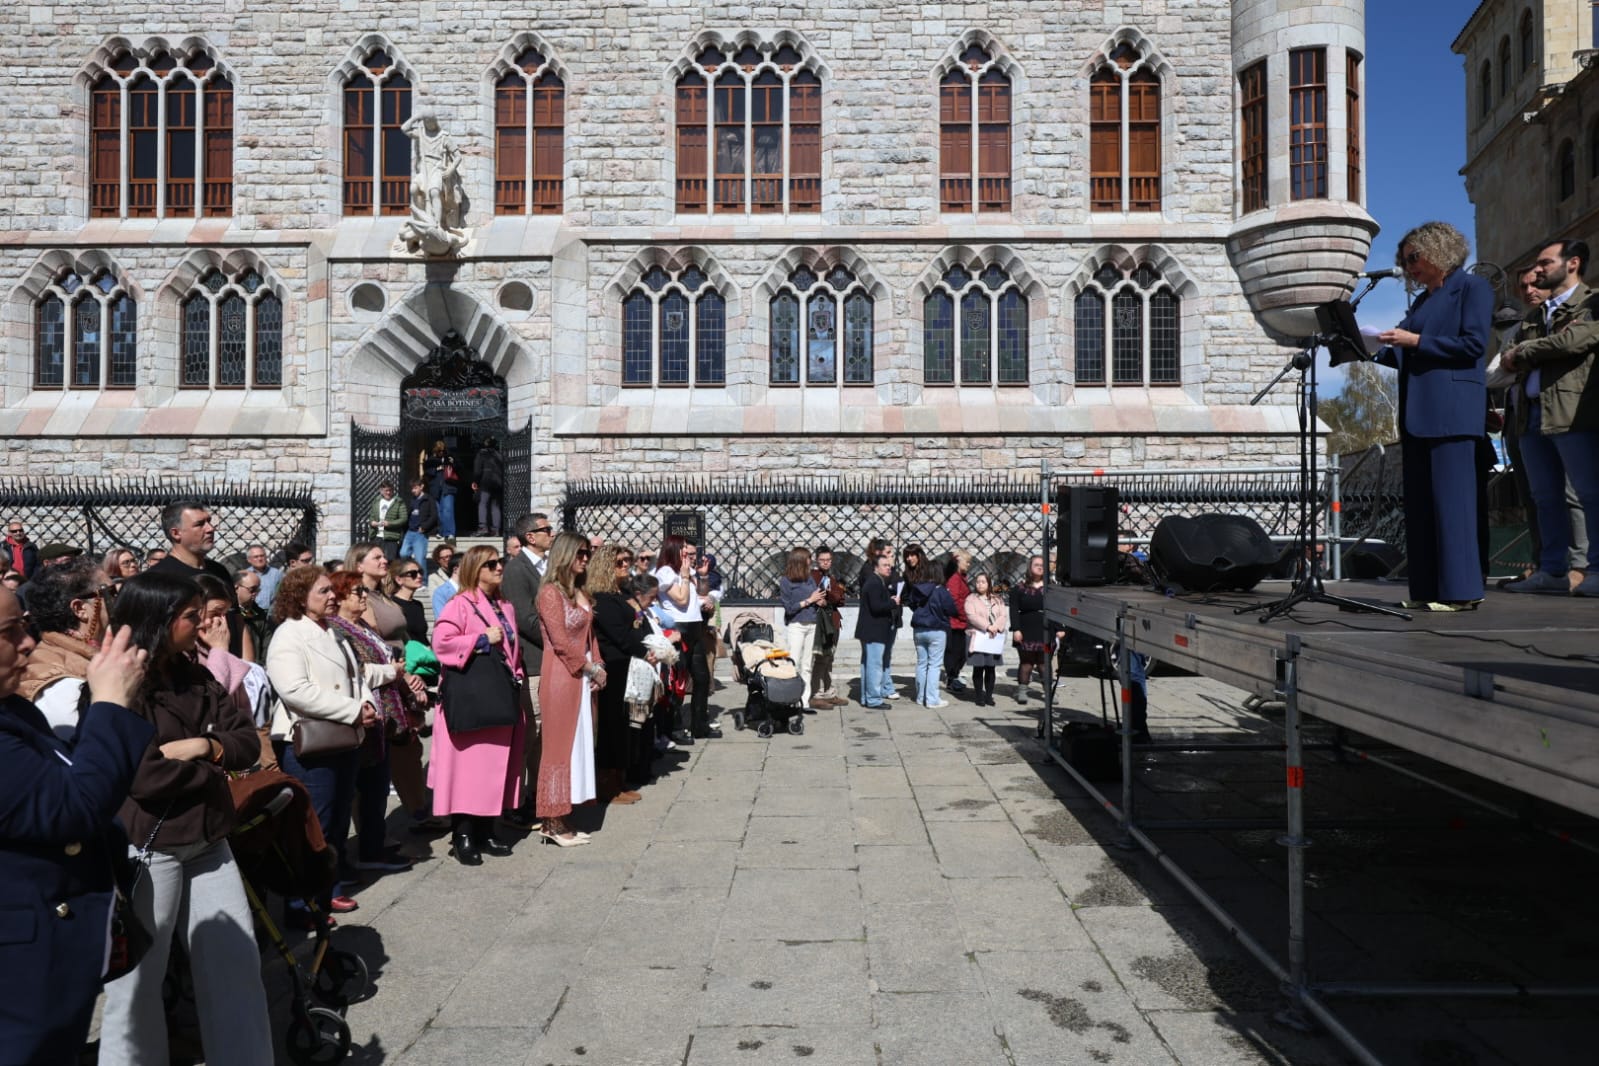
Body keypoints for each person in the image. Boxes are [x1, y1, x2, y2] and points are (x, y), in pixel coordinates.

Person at [97, 572, 272, 1066]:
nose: (202, 627)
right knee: (137, 987)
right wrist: (217, 766)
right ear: (159, 618)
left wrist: (203, 746)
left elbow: (245, 744)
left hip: (209, 843)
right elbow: (147, 777)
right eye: (192, 616)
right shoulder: (121, 682)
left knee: (236, 970)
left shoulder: (196, 674)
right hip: (151, 850)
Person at [0, 595, 153, 1065]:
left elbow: (69, 772)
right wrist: (109, 702)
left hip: (49, 954)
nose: (29, 642)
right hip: (17, 977)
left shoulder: (13, 709)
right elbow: (73, 806)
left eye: (26, 625)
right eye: (10, 632)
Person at [1374, 221, 1494, 610]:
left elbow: (1473, 345)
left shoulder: (1471, 288)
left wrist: (1416, 340)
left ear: (1438, 250)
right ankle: (1427, 590)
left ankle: (1461, 592)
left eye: (1414, 258)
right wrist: (1365, 345)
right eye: (1404, 261)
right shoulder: (1423, 301)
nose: (1410, 268)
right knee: (1423, 506)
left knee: (1453, 503)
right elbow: (1402, 352)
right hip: (1418, 414)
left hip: (1453, 412)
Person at [265, 565, 379, 920]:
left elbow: (355, 675)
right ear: (300, 598)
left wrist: (367, 704)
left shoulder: (335, 633)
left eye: (332, 590)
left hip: (342, 738)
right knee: (313, 824)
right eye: (323, 592)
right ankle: (301, 904)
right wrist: (351, 710)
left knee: (337, 818)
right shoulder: (289, 635)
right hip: (309, 745)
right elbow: (295, 691)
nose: (333, 597)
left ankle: (327, 890)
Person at [1499, 237, 1599, 598]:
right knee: (1545, 497)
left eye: (1544, 262)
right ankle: (1552, 570)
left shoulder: (1591, 303)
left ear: (1572, 264)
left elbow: (1572, 342)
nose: (1537, 269)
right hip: (1531, 418)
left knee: (1589, 493)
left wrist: (1526, 351)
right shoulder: (1533, 317)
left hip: (1573, 414)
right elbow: (1507, 355)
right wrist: (1524, 351)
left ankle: (1594, 570)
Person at [432, 545, 526, 862]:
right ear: (476, 569)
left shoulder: (505, 605)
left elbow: (514, 648)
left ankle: (487, 829)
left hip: (500, 695)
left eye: (500, 562)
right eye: (492, 564)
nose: (499, 568)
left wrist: (519, 670)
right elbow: (441, 643)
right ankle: (463, 835)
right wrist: (481, 639)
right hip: (473, 699)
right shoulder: (460, 604)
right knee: (467, 770)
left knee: (493, 769)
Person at [326, 571, 420, 874]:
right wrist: (390, 672)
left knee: (376, 785)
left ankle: (373, 845)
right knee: (364, 787)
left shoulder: (362, 625)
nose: (364, 596)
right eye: (357, 592)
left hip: (383, 715)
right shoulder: (338, 629)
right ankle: (364, 850)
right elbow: (357, 671)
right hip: (363, 714)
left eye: (364, 591)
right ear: (340, 596)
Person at [344, 543, 430, 836]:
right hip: (383, 681)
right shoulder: (359, 598)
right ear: (358, 565)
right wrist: (402, 679)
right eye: (376, 557)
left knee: (408, 747)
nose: (384, 560)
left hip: (400, 675)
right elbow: (373, 644)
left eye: (384, 556)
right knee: (380, 757)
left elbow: (401, 638)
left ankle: (417, 811)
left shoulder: (383, 595)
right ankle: (372, 831)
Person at [536, 532, 603, 844]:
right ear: (564, 556)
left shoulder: (579, 591)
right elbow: (560, 641)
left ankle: (565, 811)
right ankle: (552, 822)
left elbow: (590, 636)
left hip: (585, 674)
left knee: (579, 744)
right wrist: (589, 666)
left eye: (587, 553)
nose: (585, 559)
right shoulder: (550, 593)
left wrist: (598, 664)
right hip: (562, 676)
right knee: (559, 747)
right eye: (580, 554)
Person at [15, 557, 109, 741]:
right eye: (109, 592)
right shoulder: (61, 687)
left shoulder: (93, 655)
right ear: (80, 609)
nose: (120, 599)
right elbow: (98, 750)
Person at [500, 512, 552, 828]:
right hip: (533, 661)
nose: (552, 534)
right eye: (546, 530)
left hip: (548, 662)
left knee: (543, 734)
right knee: (530, 733)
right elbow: (523, 618)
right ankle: (514, 801)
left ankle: (534, 794)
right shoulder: (517, 570)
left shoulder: (545, 566)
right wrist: (560, 638)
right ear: (530, 536)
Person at [588, 544, 645, 805]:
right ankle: (606, 787)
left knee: (622, 724)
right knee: (611, 726)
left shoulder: (621, 593)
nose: (626, 566)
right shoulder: (602, 597)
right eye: (620, 562)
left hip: (625, 665)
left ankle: (618, 781)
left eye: (627, 561)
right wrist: (641, 638)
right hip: (612, 665)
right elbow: (622, 636)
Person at [655, 534, 717, 740]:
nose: (687, 553)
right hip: (678, 627)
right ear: (673, 549)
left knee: (702, 677)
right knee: (677, 680)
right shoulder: (665, 572)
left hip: (695, 626)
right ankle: (674, 728)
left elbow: (698, 594)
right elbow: (681, 600)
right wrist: (683, 575)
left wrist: (703, 576)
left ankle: (699, 724)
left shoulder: (686, 571)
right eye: (683, 548)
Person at [906, 557, 958, 708]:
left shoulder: (918, 588)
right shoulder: (941, 590)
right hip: (937, 629)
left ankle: (920, 696)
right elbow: (952, 610)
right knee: (934, 665)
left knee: (922, 663)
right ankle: (932, 699)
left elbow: (910, 603)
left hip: (919, 629)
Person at [779, 547, 826, 708]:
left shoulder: (809, 578)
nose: (811, 560)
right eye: (808, 558)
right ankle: (792, 699)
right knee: (794, 662)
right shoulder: (786, 581)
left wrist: (819, 600)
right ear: (799, 560)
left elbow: (815, 596)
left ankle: (804, 701)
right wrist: (809, 600)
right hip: (797, 625)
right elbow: (789, 608)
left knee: (807, 665)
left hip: (812, 624)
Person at [1009, 555, 1060, 704]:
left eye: (1042, 565)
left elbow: (1058, 608)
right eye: (1036, 564)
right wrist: (1016, 629)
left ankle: (1048, 692)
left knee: (1044, 662)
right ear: (1030, 567)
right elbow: (1014, 610)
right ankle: (1022, 691)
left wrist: (1059, 628)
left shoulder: (1052, 587)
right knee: (1027, 661)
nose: (1040, 567)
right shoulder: (1019, 588)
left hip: (1045, 631)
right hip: (1026, 630)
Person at [148, 501, 233, 586]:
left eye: (209, 521)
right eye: (199, 524)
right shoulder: (157, 579)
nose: (210, 529)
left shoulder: (219, 571)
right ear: (176, 534)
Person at [855, 551, 897, 709]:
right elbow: (876, 607)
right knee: (874, 665)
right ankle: (873, 699)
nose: (888, 568)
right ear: (875, 567)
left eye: (889, 566)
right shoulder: (874, 583)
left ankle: (867, 698)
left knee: (868, 665)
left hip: (870, 631)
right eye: (885, 566)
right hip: (874, 631)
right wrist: (893, 603)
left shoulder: (877, 581)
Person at [963, 571, 1008, 707]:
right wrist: (988, 626)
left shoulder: (997, 599)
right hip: (978, 636)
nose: (980, 584)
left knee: (991, 668)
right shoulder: (971, 599)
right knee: (978, 668)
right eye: (978, 582)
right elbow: (971, 616)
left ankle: (989, 696)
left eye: (983, 582)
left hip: (993, 637)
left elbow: (1003, 615)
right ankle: (978, 696)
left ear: (989, 583)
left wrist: (996, 627)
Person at [809, 545, 847, 707]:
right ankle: (815, 693)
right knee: (820, 658)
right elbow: (820, 596)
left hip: (834, 620)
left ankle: (829, 691)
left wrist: (831, 595)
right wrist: (833, 595)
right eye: (822, 560)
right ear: (816, 561)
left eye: (828, 560)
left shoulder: (831, 577)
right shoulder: (812, 577)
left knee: (829, 658)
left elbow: (841, 599)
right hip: (821, 623)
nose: (826, 563)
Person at [943, 549, 973, 695]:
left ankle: (953, 676)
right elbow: (954, 601)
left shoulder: (961, 577)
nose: (968, 564)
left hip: (960, 622)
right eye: (966, 561)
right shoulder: (955, 579)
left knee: (961, 653)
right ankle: (951, 678)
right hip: (956, 622)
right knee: (955, 652)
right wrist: (965, 615)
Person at [386, 557, 430, 644]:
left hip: (422, 655)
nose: (419, 576)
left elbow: (422, 636)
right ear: (399, 580)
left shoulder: (418, 605)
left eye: (420, 572)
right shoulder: (391, 603)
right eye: (413, 574)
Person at [425, 441, 460, 540]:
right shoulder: (431, 460)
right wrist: (437, 469)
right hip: (435, 489)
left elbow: (459, 469)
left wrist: (452, 462)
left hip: (448, 487)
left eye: (442, 450)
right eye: (439, 451)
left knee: (447, 510)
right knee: (439, 511)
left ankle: (449, 533)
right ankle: (441, 531)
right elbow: (428, 473)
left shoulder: (450, 458)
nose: (441, 452)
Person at [234, 566, 271, 660]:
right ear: (236, 588)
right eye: (252, 589)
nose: (255, 593)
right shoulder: (226, 615)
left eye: (257, 590)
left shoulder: (260, 615)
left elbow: (267, 646)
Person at [402, 478, 438, 570]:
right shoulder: (412, 500)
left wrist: (424, 527)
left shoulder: (429, 499)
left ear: (422, 486)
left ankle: (423, 581)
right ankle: (411, 570)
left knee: (420, 560)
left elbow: (434, 516)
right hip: (410, 531)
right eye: (412, 488)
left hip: (420, 533)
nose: (413, 490)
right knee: (403, 553)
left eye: (415, 488)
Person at [473, 437, 506, 536]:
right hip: (498, 482)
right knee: (495, 506)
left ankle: (483, 527)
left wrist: (475, 481)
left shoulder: (482, 453)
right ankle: (496, 529)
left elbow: (477, 470)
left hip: (486, 481)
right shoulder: (499, 455)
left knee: (483, 503)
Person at [367, 480, 407, 562]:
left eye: (390, 490)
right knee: (376, 560)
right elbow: (372, 516)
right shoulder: (377, 501)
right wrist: (372, 523)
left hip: (391, 537)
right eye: (386, 490)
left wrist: (390, 524)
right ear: (381, 491)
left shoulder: (398, 501)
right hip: (377, 536)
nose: (388, 493)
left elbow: (404, 519)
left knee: (390, 561)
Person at [244, 544, 282, 611]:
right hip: (251, 613)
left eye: (262, 556)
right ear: (249, 560)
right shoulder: (245, 575)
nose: (260, 559)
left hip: (272, 613)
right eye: (256, 557)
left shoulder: (276, 574)